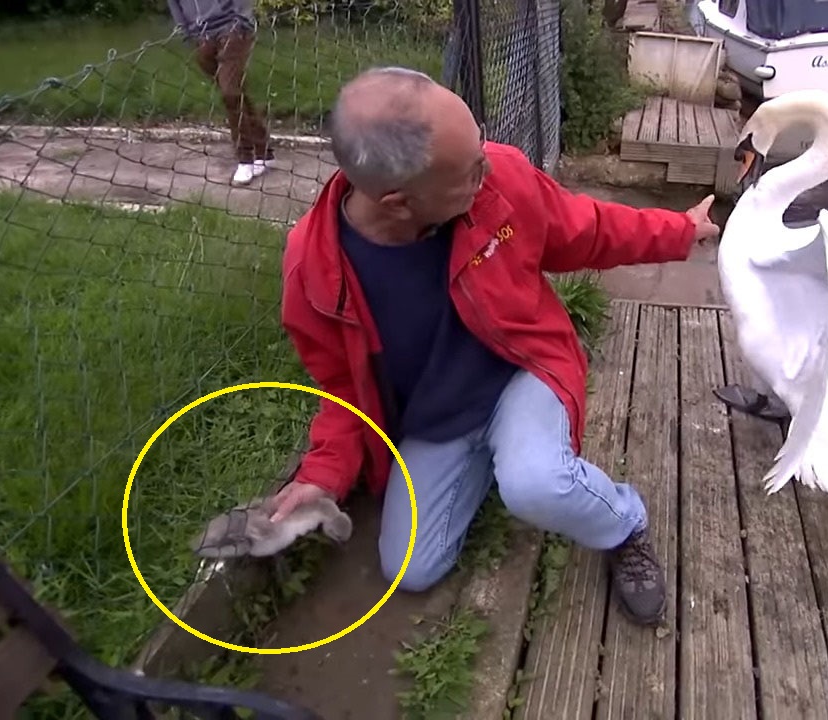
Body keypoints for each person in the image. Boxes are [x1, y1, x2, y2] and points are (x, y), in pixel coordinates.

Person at [269, 66, 720, 627]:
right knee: (410, 570)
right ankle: (497, 458)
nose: (490, 169)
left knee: (536, 485)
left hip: (521, 373)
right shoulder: (315, 271)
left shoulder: (498, 178)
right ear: (398, 202)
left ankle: (623, 522)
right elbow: (341, 388)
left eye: (479, 149)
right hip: (438, 419)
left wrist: (678, 230)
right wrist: (322, 476)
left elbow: (589, 228)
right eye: (468, 172)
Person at [168, 0, 273, 185]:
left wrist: (240, 20)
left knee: (230, 92)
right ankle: (263, 150)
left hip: (231, 28)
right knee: (234, 92)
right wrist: (186, 33)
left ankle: (245, 158)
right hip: (200, 35)